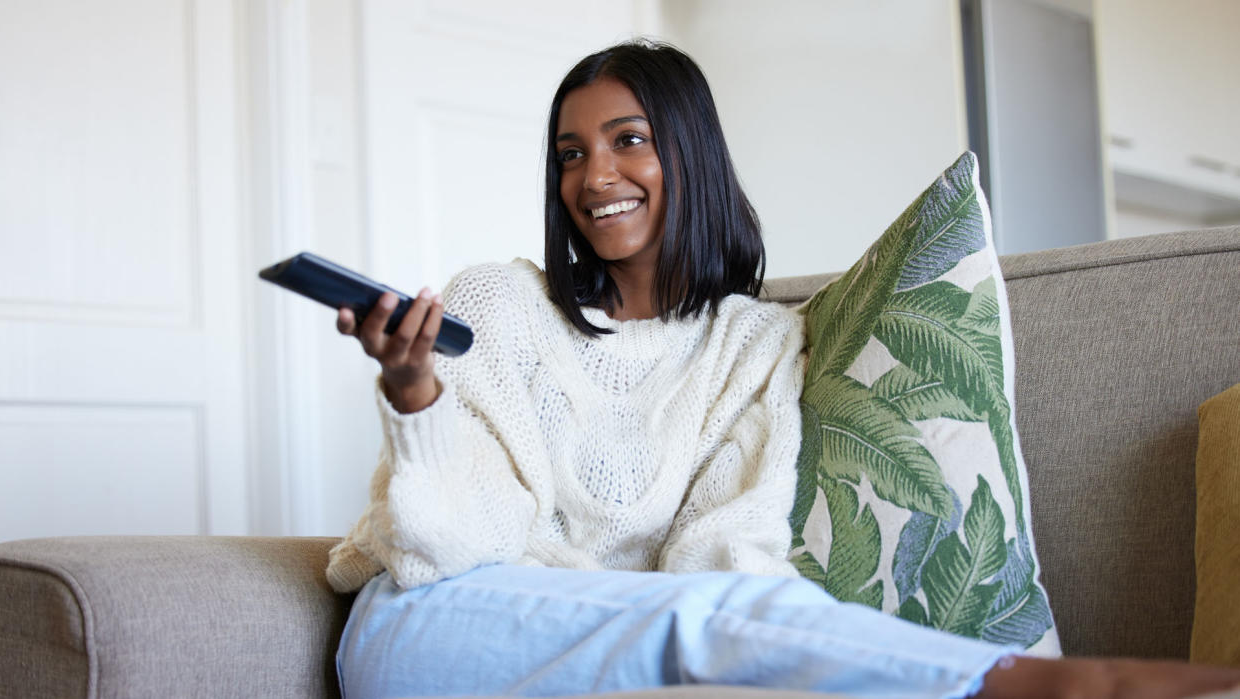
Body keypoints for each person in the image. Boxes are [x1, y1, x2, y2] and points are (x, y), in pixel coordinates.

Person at [325, 40, 1240, 698]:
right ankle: (1032, 683)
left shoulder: (756, 345)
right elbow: (441, 550)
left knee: (714, 616)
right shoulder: (498, 303)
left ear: (689, 150)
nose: (594, 174)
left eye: (628, 139)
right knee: (703, 622)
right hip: (432, 627)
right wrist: (416, 396)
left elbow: (724, 555)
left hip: (618, 650)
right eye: (571, 154)